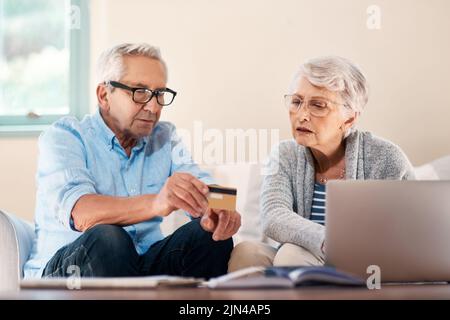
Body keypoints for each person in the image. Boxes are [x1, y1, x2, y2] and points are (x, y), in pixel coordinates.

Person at [24, 43, 241, 279]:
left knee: (208, 235)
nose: (153, 106)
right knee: (109, 237)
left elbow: (200, 180)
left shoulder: (164, 136)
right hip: (71, 268)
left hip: (140, 267)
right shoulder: (65, 137)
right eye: (140, 92)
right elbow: (82, 214)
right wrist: (157, 202)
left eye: (159, 94)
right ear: (104, 95)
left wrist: (222, 209)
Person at [228, 56, 415, 271]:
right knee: (247, 252)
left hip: (366, 263)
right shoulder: (285, 154)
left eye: (318, 105)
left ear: (350, 119)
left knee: (290, 255)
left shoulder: (385, 157)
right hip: (306, 253)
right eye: (297, 102)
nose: (302, 115)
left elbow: (408, 234)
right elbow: (273, 216)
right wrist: (326, 241)